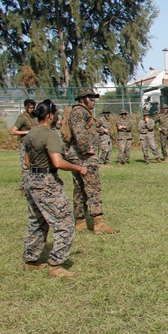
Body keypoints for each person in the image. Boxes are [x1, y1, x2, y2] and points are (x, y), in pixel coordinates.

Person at [21, 99, 89, 278]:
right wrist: (79, 168)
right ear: (50, 115)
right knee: (65, 223)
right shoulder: (50, 134)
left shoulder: (30, 133)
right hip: (46, 182)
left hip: (31, 179)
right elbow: (57, 162)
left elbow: (27, 162)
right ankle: (56, 264)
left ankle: (31, 260)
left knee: (37, 221)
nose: (58, 117)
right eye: (57, 114)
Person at [64, 88, 118, 234]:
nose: (93, 100)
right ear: (82, 99)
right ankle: (98, 222)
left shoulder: (82, 112)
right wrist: (86, 149)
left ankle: (80, 221)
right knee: (93, 187)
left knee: (80, 188)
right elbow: (79, 132)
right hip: (84, 157)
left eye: (94, 98)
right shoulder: (79, 112)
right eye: (90, 97)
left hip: (78, 157)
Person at [11, 98, 37, 191]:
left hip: (34, 144)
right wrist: (27, 132)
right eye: (30, 108)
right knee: (26, 166)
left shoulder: (35, 117)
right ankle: (24, 187)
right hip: (25, 145)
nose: (32, 109)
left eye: (34, 107)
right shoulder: (22, 118)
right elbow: (13, 131)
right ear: (26, 107)